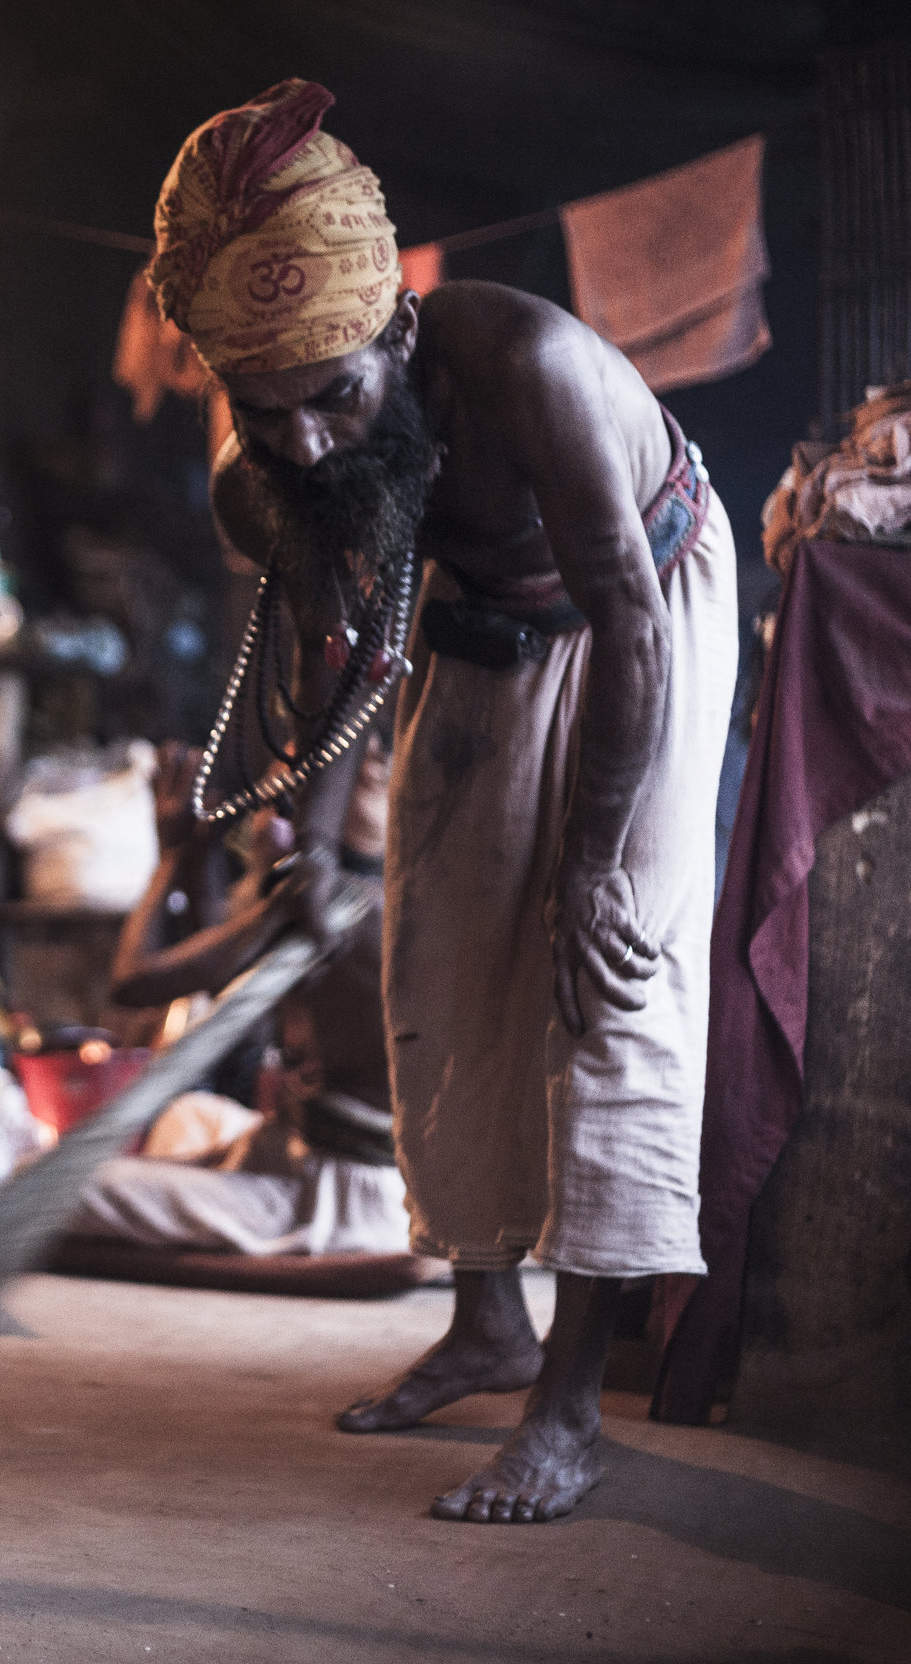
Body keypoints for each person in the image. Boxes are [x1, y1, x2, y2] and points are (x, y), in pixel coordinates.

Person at [148, 80, 739, 1523]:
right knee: (436, 952)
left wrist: (598, 863)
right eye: (263, 410)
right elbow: (328, 655)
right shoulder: (279, 462)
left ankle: (574, 1404)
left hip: (643, 605)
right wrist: (307, 843)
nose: (308, 444)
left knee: (610, 974)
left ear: (398, 333)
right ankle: (488, 1317)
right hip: (480, 620)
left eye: (336, 398)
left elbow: (633, 631)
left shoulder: (527, 362)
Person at [58, 741, 414, 1266]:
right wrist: (196, 856)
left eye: (283, 805)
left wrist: (172, 856)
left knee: (60, 1185)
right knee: (188, 1117)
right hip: (301, 1158)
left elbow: (132, 983)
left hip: (340, 1198)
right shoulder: (360, 896)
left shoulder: (328, 907)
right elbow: (216, 961)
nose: (262, 821)